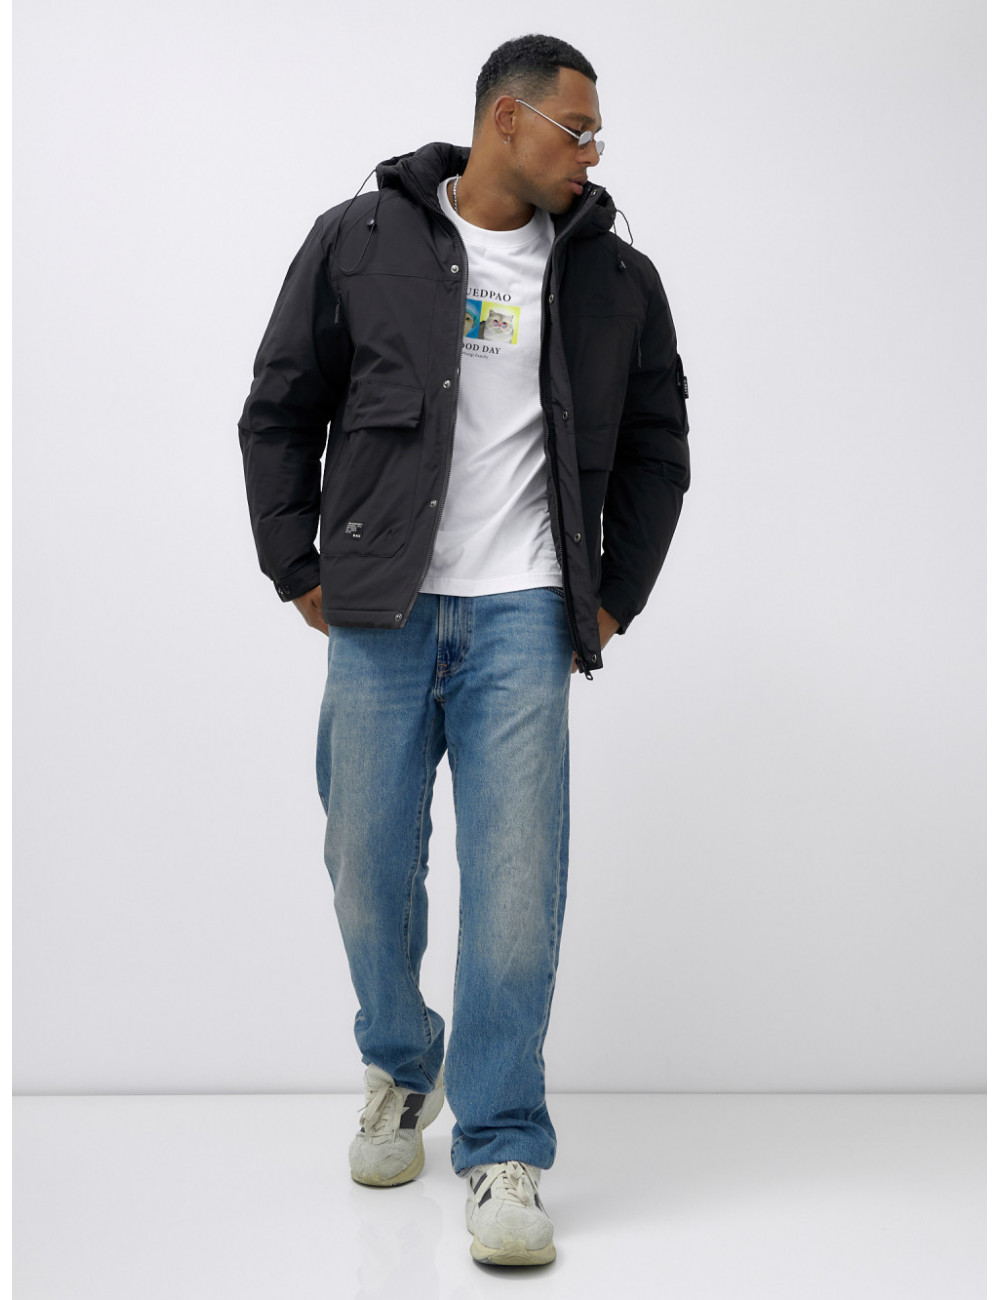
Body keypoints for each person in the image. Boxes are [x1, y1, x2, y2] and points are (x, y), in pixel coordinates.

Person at [238, 33, 690, 1267]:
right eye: (575, 129)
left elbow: (658, 443)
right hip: (380, 613)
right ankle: (401, 1064)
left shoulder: (615, 277)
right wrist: (296, 566)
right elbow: (280, 406)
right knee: (364, 864)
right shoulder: (359, 238)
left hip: (524, 616)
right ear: (505, 121)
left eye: (595, 135)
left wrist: (614, 596)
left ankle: (501, 1146)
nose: (591, 152)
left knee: (515, 894)